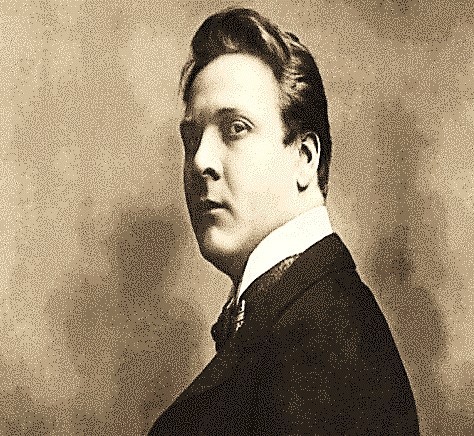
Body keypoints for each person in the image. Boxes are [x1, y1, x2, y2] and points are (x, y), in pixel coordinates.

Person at [149, 7, 419, 435]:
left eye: (235, 128)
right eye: (192, 138)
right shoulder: (293, 320)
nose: (200, 161)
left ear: (305, 158)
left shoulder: (323, 340)